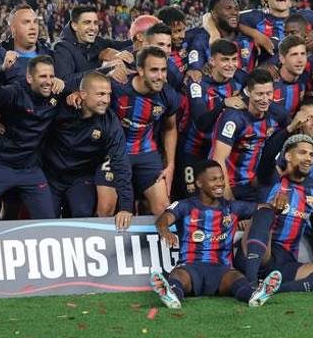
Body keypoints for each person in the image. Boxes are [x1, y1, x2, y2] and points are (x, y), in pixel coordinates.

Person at [149, 161, 283, 309]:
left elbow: (264, 209)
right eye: (214, 179)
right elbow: (163, 219)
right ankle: (172, 295)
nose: (220, 183)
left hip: (222, 270)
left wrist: (278, 205)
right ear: (199, 183)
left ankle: (254, 296)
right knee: (178, 275)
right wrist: (165, 230)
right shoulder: (185, 205)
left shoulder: (232, 207)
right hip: (191, 267)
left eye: (221, 179)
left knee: (237, 278)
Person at [241, 133, 313, 293]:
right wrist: (289, 128)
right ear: (287, 155)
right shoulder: (271, 178)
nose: (308, 158)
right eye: (302, 153)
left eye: (311, 154)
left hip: (285, 264)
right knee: (265, 212)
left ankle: (273, 289)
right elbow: (268, 153)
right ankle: (251, 283)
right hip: (259, 253)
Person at [0, 54, 59, 221]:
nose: (48, 81)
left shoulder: (56, 95)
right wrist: (2, 71)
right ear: (29, 78)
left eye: (51, 76)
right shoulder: (14, 92)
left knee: (47, 220)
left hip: (30, 169)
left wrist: (72, 91)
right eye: (43, 76)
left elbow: (85, 83)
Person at [43, 71, 133, 226]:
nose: (106, 100)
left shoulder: (110, 122)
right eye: (100, 94)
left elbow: (121, 162)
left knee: (83, 214)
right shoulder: (61, 107)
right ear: (83, 94)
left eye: (108, 94)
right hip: (50, 176)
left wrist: (126, 207)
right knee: (45, 219)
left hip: (81, 177)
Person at [104, 46, 179, 216]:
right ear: (140, 70)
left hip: (147, 154)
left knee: (163, 208)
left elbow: (170, 128)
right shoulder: (117, 86)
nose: (160, 76)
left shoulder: (168, 95)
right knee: (106, 208)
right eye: (154, 70)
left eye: (163, 70)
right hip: (114, 153)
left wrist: (170, 164)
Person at [178, 39, 246, 196]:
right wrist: (223, 104)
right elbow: (202, 122)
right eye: (224, 60)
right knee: (192, 200)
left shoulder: (240, 82)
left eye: (233, 59)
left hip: (220, 155)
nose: (230, 65)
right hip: (193, 153)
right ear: (212, 61)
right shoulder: (198, 84)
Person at [209, 68, 287, 201]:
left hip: (255, 185)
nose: (264, 99)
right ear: (248, 92)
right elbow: (218, 158)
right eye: (259, 94)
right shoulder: (234, 118)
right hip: (230, 185)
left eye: (269, 93)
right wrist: (227, 194)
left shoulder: (277, 114)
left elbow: (289, 135)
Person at [186, 0, 258, 77]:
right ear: (214, 14)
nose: (234, 12)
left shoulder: (249, 38)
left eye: (237, 9)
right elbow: (195, 71)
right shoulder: (202, 40)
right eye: (228, 8)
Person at [271, 34, 310, 117]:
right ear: (282, 59)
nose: (300, 60)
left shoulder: (306, 79)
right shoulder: (269, 81)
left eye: (303, 54)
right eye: (294, 54)